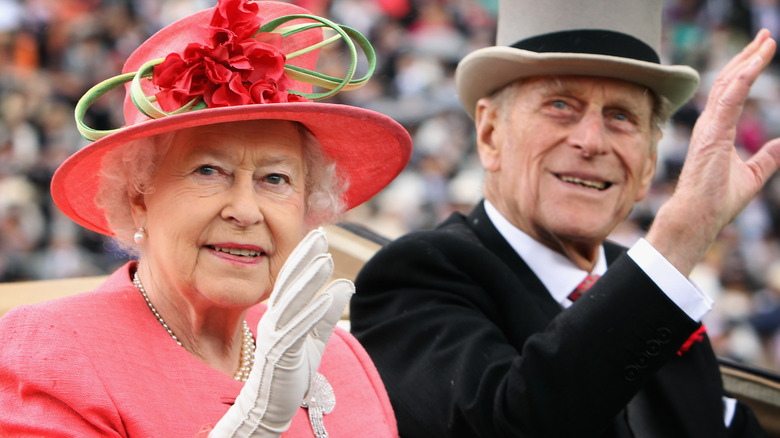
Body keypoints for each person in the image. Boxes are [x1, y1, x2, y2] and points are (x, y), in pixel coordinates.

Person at [350, 0, 777, 436]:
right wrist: (681, 237)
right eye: (559, 105)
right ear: (490, 133)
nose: (591, 141)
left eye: (621, 116)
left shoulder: (651, 284)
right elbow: (507, 423)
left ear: (649, 164)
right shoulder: (415, 276)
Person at [0, 0, 412, 436]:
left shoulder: (340, 355)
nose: (246, 210)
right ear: (139, 196)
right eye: (209, 171)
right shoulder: (53, 351)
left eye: (275, 179)